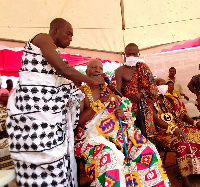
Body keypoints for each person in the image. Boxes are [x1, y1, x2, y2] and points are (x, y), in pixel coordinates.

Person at [6, 18, 104, 187]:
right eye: (68, 33)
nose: (71, 38)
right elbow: (63, 70)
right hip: (34, 108)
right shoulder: (43, 38)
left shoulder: (53, 51)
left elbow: (59, 77)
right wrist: (91, 81)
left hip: (46, 115)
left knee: (52, 159)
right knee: (40, 156)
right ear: (56, 30)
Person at [75, 59, 170, 187]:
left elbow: (120, 110)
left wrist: (120, 112)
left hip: (115, 134)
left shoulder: (109, 90)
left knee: (146, 149)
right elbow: (78, 121)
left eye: (100, 68)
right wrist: (101, 102)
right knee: (109, 156)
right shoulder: (80, 92)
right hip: (90, 137)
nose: (97, 70)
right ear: (86, 72)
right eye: (93, 67)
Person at [153, 78, 200, 187]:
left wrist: (195, 123)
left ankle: (196, 169)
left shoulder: (172, 99)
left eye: (164, 84)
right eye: (159, 85)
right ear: (153, 87)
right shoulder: (150, 102)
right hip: (163, 132)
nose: (163, 87)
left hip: (179, 126)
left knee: (197, 136)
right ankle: (185, 176)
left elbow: (183, 116)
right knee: (182, 144)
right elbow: (156, 121)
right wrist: (173, 130)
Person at [115, 43, 158, 140]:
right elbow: (118, 91)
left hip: (144, 109)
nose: (131, 56)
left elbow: (153, 87)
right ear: (124, 54)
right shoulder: (119, 71)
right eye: (129, 54)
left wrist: (142, 94)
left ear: (138, 54)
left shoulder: (143, 68)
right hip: (129, 109)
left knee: (147, 138)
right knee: (131, 137)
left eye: (134, 54)